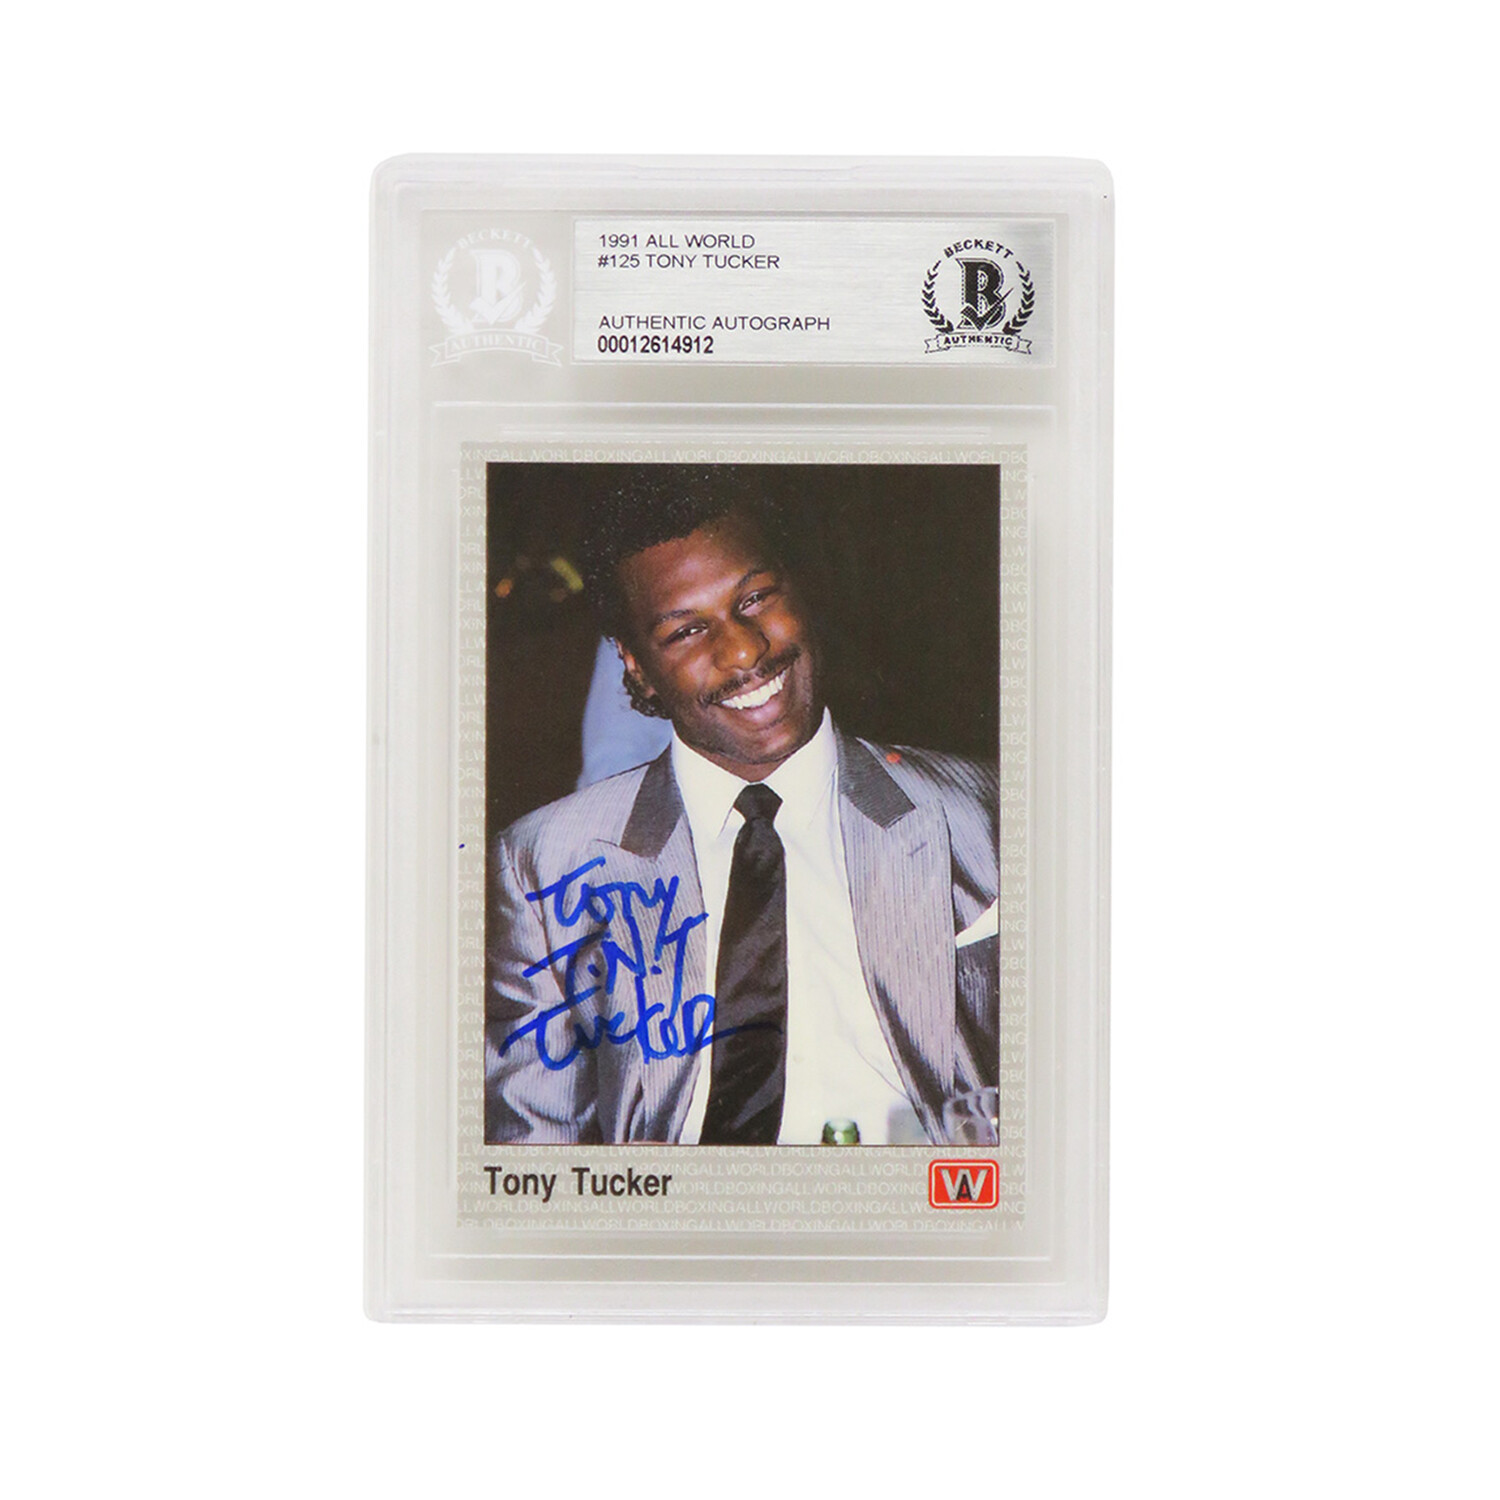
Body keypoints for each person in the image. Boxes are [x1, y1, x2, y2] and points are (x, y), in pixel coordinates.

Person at [485, 470, 998, 1145]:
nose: (744, 649)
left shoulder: (983, 814)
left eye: (755, 598)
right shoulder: (545, 864)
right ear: (635, 667)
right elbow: (535, 1148)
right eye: (687, 631)